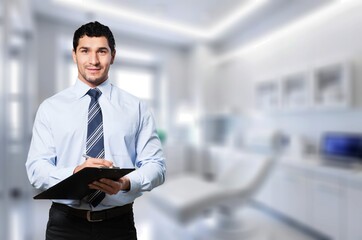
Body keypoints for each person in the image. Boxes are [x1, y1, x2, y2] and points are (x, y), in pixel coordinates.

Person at [26, 21, 166, 240]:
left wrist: (125, 183)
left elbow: (156, 166)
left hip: (118, 225)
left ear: (113, 55)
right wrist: (74, 174)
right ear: (74, 55)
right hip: (64, 226)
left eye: (102, 51)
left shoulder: (137, 108)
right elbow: (36, 169)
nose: (93, 60)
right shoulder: (50, 108)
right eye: (85, 51)